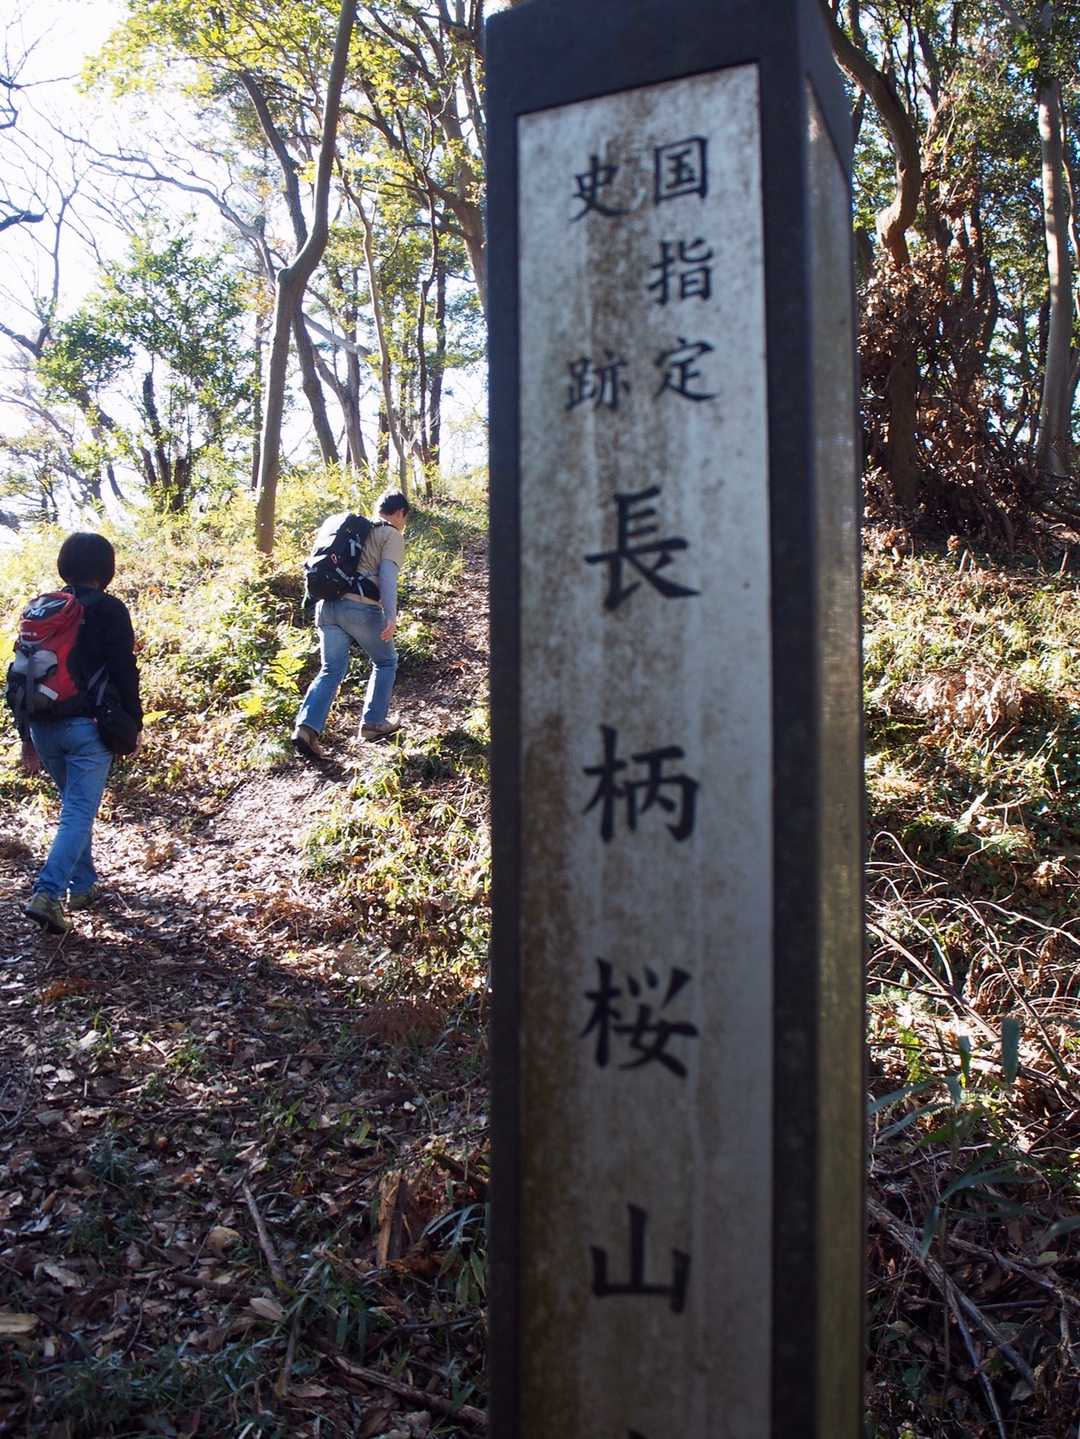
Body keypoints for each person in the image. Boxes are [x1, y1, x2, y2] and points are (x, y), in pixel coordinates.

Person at [19, 532, 142, 936]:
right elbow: (123, 669)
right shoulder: (108, 609)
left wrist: (25, 739)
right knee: (77, 812)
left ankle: (83, 885)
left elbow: (22, 674)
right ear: (106, 568)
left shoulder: (43, 610)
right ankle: (47, 893)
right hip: (88, 727)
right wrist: (134, 723)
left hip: (43, 727)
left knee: (75, 808)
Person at [292, 489, 410, 760]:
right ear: (399, 512)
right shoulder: (390, 534)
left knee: (330, 669)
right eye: (405, 518)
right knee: (386, 661)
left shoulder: (354, 531)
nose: (404, 524)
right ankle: (373, 723)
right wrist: (391, 615)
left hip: (327, 607)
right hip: (360, 608)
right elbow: (388, 576)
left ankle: (306, 729)